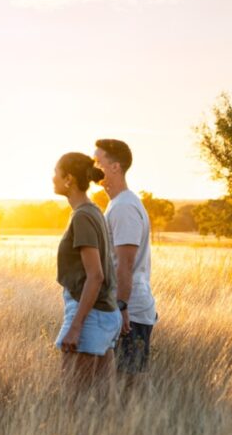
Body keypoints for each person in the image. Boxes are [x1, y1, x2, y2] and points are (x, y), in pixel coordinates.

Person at [53, 152, 121, 391]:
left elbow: (96, 275)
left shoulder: (83, 216)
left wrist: (75, 326)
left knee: (74, 399)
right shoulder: (93, 211)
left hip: (89, 314)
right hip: (103, 312)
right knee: (102, 403)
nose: (53, 178)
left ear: (69, 179)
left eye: (56, 172)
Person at [94, 138, 157, 380]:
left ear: (115, 167)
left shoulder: (124, 207)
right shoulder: (117, 204)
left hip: (131, 310)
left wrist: (121, 308)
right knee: (125, 381)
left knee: (131, 382)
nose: (94, 168)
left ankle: (146, 420)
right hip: (125, 307)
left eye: (98, 162)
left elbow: (125, 265)